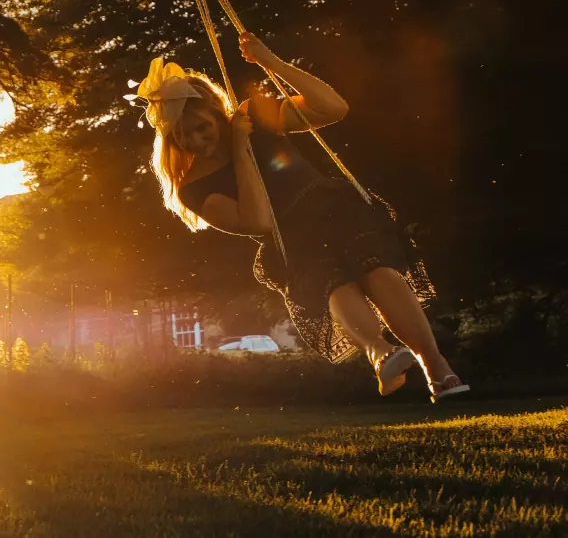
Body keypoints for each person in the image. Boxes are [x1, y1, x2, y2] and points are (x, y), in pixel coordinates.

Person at [133, 34, 469, 402]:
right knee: (334, 286)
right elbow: (259, 222)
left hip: (335, 209)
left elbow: (333, 108)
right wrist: (242, 150)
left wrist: (269, 62)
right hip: (292, 239)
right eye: (182, 137)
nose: (196, 141)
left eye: (202, 127)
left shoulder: (254, 116)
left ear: (216, 112)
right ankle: (380, 352)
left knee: (380, 272)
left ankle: (437, 369)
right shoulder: (193, 188)